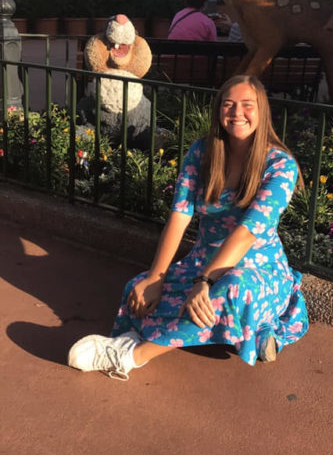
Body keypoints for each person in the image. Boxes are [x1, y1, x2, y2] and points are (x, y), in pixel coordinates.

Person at [68, 75, 309, 380]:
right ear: (218, 110)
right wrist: (156, 276)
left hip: (259, 272)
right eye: (228, 104)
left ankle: (129, 356)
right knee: (137, 290)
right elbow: (180, 216)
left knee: (229, 291)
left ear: (262, 112)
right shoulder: (202, 151)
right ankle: (256, 331)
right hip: (202, 262)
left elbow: (247, 232)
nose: (237, 113)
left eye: (247, 105)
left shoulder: (280, 165)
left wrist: (206, 282)